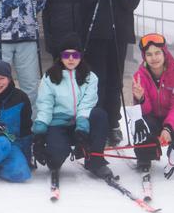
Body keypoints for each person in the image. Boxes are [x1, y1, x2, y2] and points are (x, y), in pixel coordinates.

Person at [80, 0, 141, 145]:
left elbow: (133, 1)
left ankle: (113, 124)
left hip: (118, 34)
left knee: (114, 81)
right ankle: (98, 123)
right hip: (95, 34)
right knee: (97, 81)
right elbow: (83, 1)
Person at [32, 32, 113, 182]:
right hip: (58, 123)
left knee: (99, 114)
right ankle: (55, 154)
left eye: (75, 55)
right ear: (60, 56)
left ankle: (95, 161)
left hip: (82, 122)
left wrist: (81, 129)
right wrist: (39, 133)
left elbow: (87, 104)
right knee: (54, 159)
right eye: (66, 55)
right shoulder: (50, 77)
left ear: (80, 56)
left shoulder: (90, 77)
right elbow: (45, 105)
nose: (70, 59)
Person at [131, 33, 174, 177]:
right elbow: (145, 111)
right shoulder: (140, 76)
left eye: (157, 53)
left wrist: (168, 128)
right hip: (152, 118)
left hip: (172, 120)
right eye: (149, 54)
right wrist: (141, 98)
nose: (154, 58)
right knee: (140, 123)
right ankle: (145, 158)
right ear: (144, 56)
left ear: (164, 53)